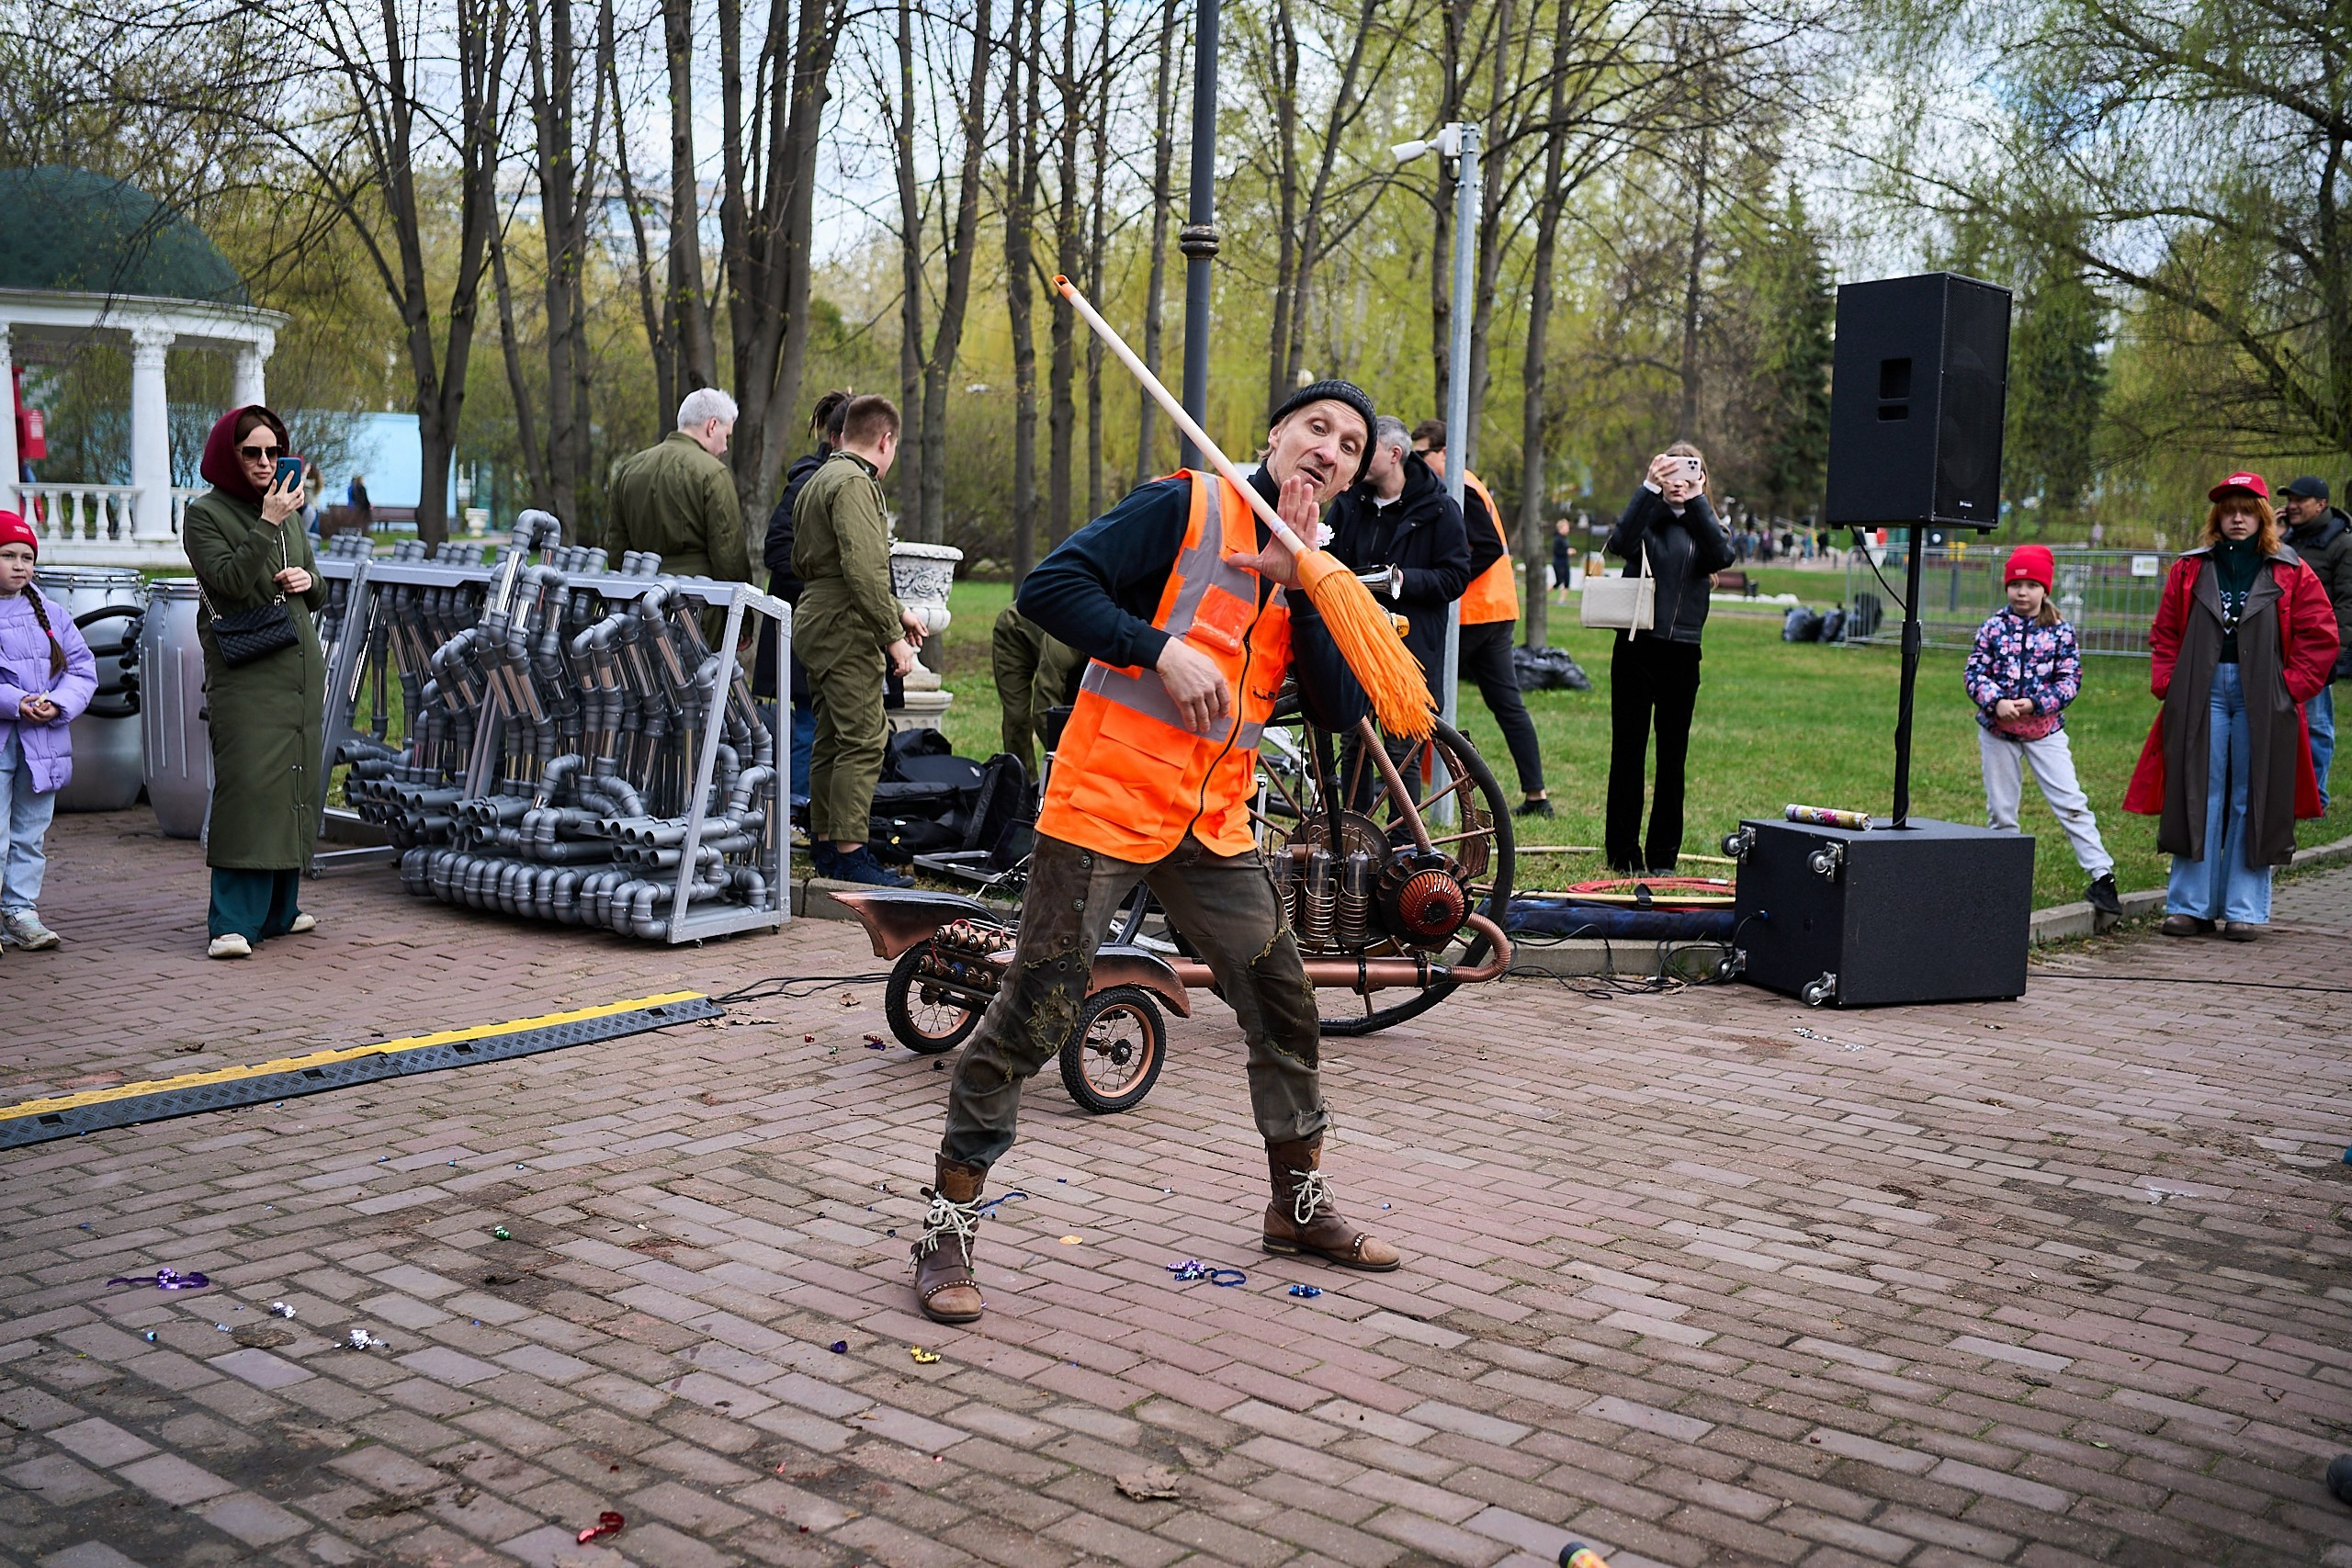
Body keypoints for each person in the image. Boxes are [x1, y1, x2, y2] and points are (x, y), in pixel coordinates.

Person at [908, 380, 1395, 1328]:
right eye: (1316, 427)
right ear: (1275, 436)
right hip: (1102, 808)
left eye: (1349, 442)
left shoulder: (1320, 566)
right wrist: (1156, 647)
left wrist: (1310, 585)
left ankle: (1294, 1208)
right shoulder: (1185, 504)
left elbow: (1338, 711)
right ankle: (946, 1226)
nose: (1330, 448)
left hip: (1212, 827)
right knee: (1040, 1011)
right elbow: (1047, 588)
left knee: (1285, 1003)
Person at [2125, 472, 2338, 940]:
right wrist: (2168, 683)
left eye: (2245, 510)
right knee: (2197, 791)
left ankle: (2244, 909)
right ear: (2216, 518)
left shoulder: (2288, 569)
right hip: (2202, 692)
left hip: (2263, 696)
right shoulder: (2190, 569)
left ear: (2262, 516)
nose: (2236, 518)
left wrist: (2290, 688)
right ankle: (2189, 905)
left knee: (2254, 795)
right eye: (2228, 510)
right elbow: (2165, 634)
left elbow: (2320, 636)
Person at [184, 406, 329, 959]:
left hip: (297, 667)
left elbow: (319, 593)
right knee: (249, 786)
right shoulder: (205, 515)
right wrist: (267, 523)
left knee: (292, 782)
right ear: (229, 454)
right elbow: (229, 585)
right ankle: (231, 923)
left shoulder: (289, 507)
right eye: (252, 453)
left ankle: (279, 911)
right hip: (246, 672)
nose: (266, 462)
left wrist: (305, 578)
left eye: (273, 451)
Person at [794, 394, 927, 886]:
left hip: (820, 615)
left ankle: (829, 845)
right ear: (886, 440)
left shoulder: (819, 477)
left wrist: (900, 610)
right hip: (843, 624)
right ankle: (850, 856)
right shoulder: (855, 483)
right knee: (863, 738)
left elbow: (831, 565)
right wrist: (893, 637)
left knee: (832, 737)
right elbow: (863, 569)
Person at [1964, 544, 2121, 918]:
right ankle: (2004, 884)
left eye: (2032, 585)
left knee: (2071, 803)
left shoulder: (2060, 632)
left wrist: (2036, 703)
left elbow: (2070, 680)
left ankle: (2102, 876)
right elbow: (1974, 673)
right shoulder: (1993, 628)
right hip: (1998, 731)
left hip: (2045, 731)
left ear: (2045, 589)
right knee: (2001, 810)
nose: (2023, 592)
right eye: (2016, 585)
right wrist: (1995, 701)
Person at [1603, 443, 1736, 874]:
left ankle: (1663, 857)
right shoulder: (1647, 519)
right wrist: (1647, 489)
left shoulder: (1708, 526)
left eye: (1688, 472)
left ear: (1701, 476)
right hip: (1635, 648)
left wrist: (1696, 501)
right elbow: (1619, 542)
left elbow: (1722, 557)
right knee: (1628, 754)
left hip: (1683, 653)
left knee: (1672, 759)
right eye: (1670, 471)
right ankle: (1623, 854)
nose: (1678, 480)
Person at [1409, 419, 1551, 815]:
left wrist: (1448, 579)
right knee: (1507, 703)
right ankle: (1537, 795)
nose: (1416, 463)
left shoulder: (1461, 488)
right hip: (1495, 610)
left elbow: (1487, 547)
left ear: (1445, 453)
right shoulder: (1464, 483)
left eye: (1421, 455)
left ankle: (1411, 791)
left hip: (1474, 613)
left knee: (1420, 695)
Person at [0, 511, 97, 953]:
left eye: (26, 556)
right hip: (5, 739)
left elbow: (81, 669)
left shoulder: (51, 612)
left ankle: (19, 910)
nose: (20, 565)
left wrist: (57, 702)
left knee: (30, 832)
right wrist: (14, 702)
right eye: (7, 555)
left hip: (43, 744)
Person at [758, 390, 853, 801]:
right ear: (837, 438)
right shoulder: (807, 483)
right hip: (802, 626)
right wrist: (824, 587)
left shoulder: (844, 481)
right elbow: (777, 549)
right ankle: (795, 813)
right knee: (807, 725)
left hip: (823, 627)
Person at [606, 388, 750, 581]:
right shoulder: (713, 473)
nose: (725, 447)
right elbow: (729, 556)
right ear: (712, 426)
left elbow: (616, 548)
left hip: (639, 599)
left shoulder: (628, 470)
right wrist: (743, 609)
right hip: (697, 601)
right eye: (726, 437)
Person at [2278, 476, 2352, 807]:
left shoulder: (2343, 544)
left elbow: (2347, 605)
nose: (2292, 505)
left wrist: (2330, 653)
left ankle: (2316, 798)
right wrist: (2274, 536)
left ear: (2321, 504)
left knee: (2317, 726)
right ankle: (2290, 793)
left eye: (2301, 500)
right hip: (2281, 648)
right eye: (2290, 499)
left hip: (2316, 652)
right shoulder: (2286, 540)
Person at [989, 606, 1086, 777]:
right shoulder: (1063, 644)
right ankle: (1023, 786)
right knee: (1017, 717)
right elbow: (1045, 710)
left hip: (1063, 646)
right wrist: (1067, 763)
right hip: (1014, 633)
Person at [1550, 515, 1575, 605]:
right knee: (1558, 582)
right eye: (1566, 527)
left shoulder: (1565, 539)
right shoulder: (1557, 539)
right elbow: (1557, 551)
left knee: (1567, 582)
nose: (1568, 529)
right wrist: (1567, 552)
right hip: (1558, 563)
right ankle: (1542, 595)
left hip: (1565, 562)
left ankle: (1562, 600)